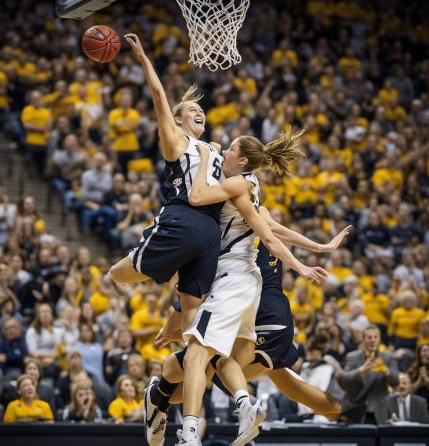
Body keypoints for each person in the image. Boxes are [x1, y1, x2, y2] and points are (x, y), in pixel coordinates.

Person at [172, 132, 330, 445]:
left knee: (196, 355)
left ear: (243, 160)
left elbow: (197, 195)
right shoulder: (251, 184)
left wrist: (206, 155)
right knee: (227, 361)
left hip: (232, 279)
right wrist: (318, 247)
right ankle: (246, 404)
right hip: (248, 284)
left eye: (231, 148)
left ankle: (189, 434)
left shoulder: (239, 184)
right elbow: (273, 231)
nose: (226, 150)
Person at [144, 222, 347, 446]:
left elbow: (188, 297)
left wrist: (319, 250)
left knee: (205, 366)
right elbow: (276, 232)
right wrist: (320, 248)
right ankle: (343, 411)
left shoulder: (219, 238)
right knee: (288, 384)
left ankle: (170, 401)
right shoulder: (253, 221)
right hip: (266, 315)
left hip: (260, 313)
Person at [109, 33, 226, 339]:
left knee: (191, 303)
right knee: (127, 272)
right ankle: (114, 284)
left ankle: (192, 357)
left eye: (201, 110)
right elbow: (159, 98)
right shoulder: (176, 140)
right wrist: (144, 59)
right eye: (191, 110)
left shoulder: (214, 147)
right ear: (176, 120)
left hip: (210, 228)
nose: (199, 112)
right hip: (185, 217)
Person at [337, 325, 399, 423]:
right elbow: (344, 380)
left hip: (379, 410)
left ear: (380, 340)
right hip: (356, 409)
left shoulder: (388, 357)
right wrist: (361, 370)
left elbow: (396, 381)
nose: (372, 340)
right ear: (363, 340)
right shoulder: (353, 356)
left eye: (375, 337)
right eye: (369, 337)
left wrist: (385, 370)